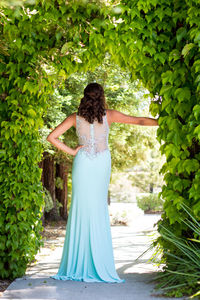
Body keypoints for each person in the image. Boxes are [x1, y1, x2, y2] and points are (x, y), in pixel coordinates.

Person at [47, 82, 158, 283]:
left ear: (84, 96)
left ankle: (78, 264)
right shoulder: (110, 115)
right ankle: (99, 263)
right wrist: (161, 122)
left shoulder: (74, 118)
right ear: (101, 97)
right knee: (98, 207)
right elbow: (140, 121)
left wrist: (73, 151)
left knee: (81, 208)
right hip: (100, 163)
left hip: (83, 163)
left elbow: (51, 137)